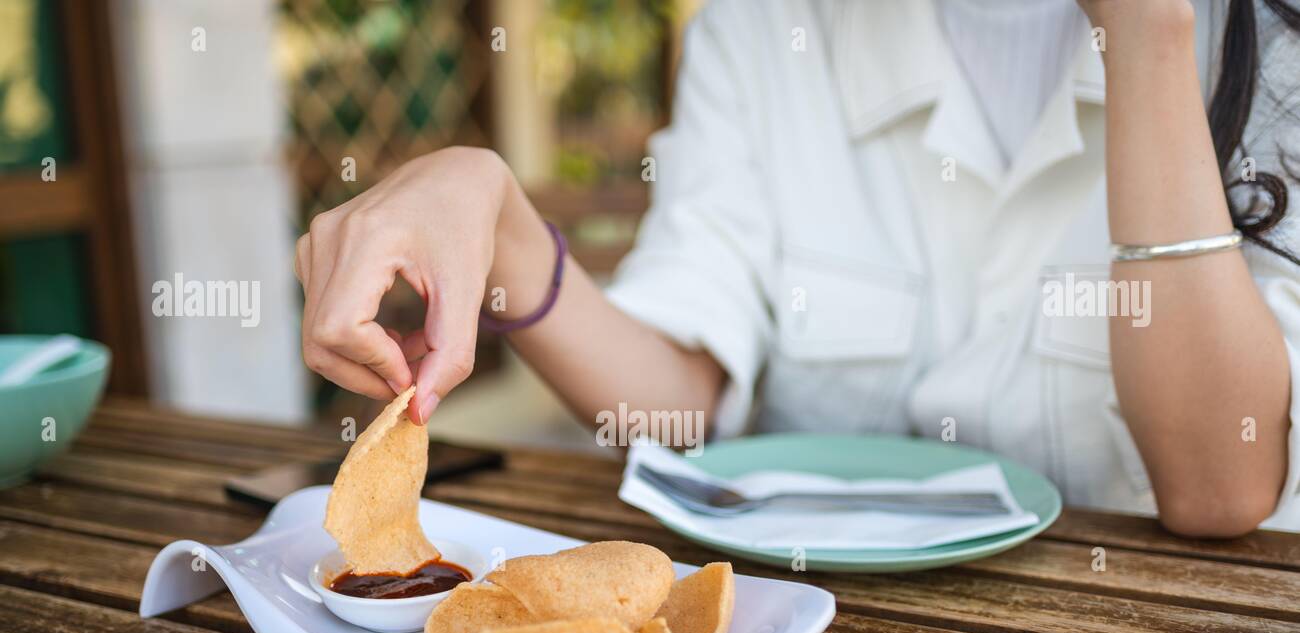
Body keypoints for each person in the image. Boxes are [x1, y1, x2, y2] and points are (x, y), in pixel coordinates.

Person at [293, 0, 1300, 537]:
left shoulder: (1264, 44)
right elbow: (676, 409)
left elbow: (1219, 490)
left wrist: (1151, 36)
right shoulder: (761, 28)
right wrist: (502, 222)